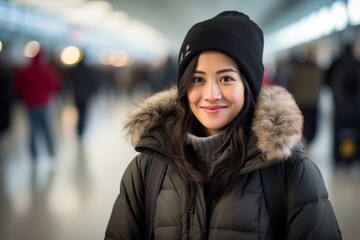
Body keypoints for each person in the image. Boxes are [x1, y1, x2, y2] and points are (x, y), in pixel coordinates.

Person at [105, 11, 342, 239]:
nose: (210, 94)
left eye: (226, 78)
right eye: (198, 79)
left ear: (248, 86)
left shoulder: (291, 173)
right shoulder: (149, 167)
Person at [14, 49, 61, 161]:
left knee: (33, 130)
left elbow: (18, 86)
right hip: (43, 104)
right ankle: (51, 153)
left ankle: (34, 156)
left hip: (30, 105)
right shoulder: (47, 70)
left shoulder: (25, 71)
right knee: (47, 129)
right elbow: (55, 85)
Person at [67, 53, 97, 138]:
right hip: (85, 95)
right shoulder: (88, 70)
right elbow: (92, 82)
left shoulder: (74, 69)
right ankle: (81, 130)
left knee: (79, 113)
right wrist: (92, 93)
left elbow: (70, 79)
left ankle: (79, 129)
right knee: (83, 114)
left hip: (76, 95)